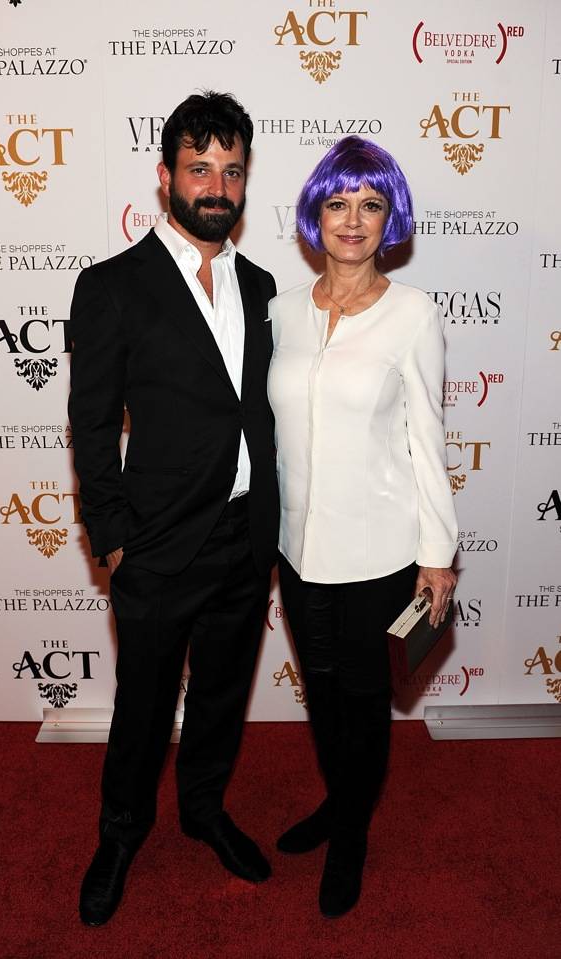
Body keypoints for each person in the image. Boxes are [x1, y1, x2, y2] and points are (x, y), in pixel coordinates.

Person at [68, 91, 279, 926]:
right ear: (165, 177)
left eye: (232, 170)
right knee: (144, 706)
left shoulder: (261, 286)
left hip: (244, 536)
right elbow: (91, 426)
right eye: (200, 168)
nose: (216, 187)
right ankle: (121, 832)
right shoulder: (112, 286)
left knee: (223, 692)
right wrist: (113, 537)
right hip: (156, 543)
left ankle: (203, 809)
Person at [267, 136, 458, 918]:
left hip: (378, 551)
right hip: (295, 549)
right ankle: (338, 801)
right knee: (321, 693)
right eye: (338, 203)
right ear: (315, 215)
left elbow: (427, 438)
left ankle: (350, 833)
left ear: (391, 218)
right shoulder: (280, 310)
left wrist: (438, 555)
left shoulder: (413, 314)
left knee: (364, 699)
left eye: (370, 204)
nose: (352, 220)